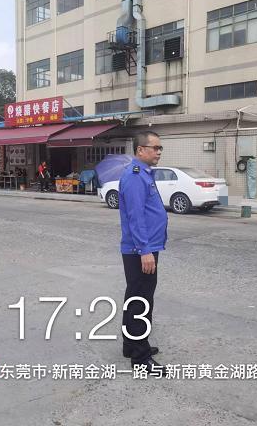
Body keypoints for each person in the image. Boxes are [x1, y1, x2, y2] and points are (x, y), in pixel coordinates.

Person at [119, 131, 168, 375]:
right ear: (140, 150)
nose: (159, 152)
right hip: (141, 250)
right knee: (141, 302)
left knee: (135, 298)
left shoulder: (143, 173)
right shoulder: (136, 176)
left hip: (144, 247)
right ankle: (140, 358)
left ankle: (132, 345)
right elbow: (135, 217)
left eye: (160, 148)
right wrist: (144, 250)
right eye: (155, 148)